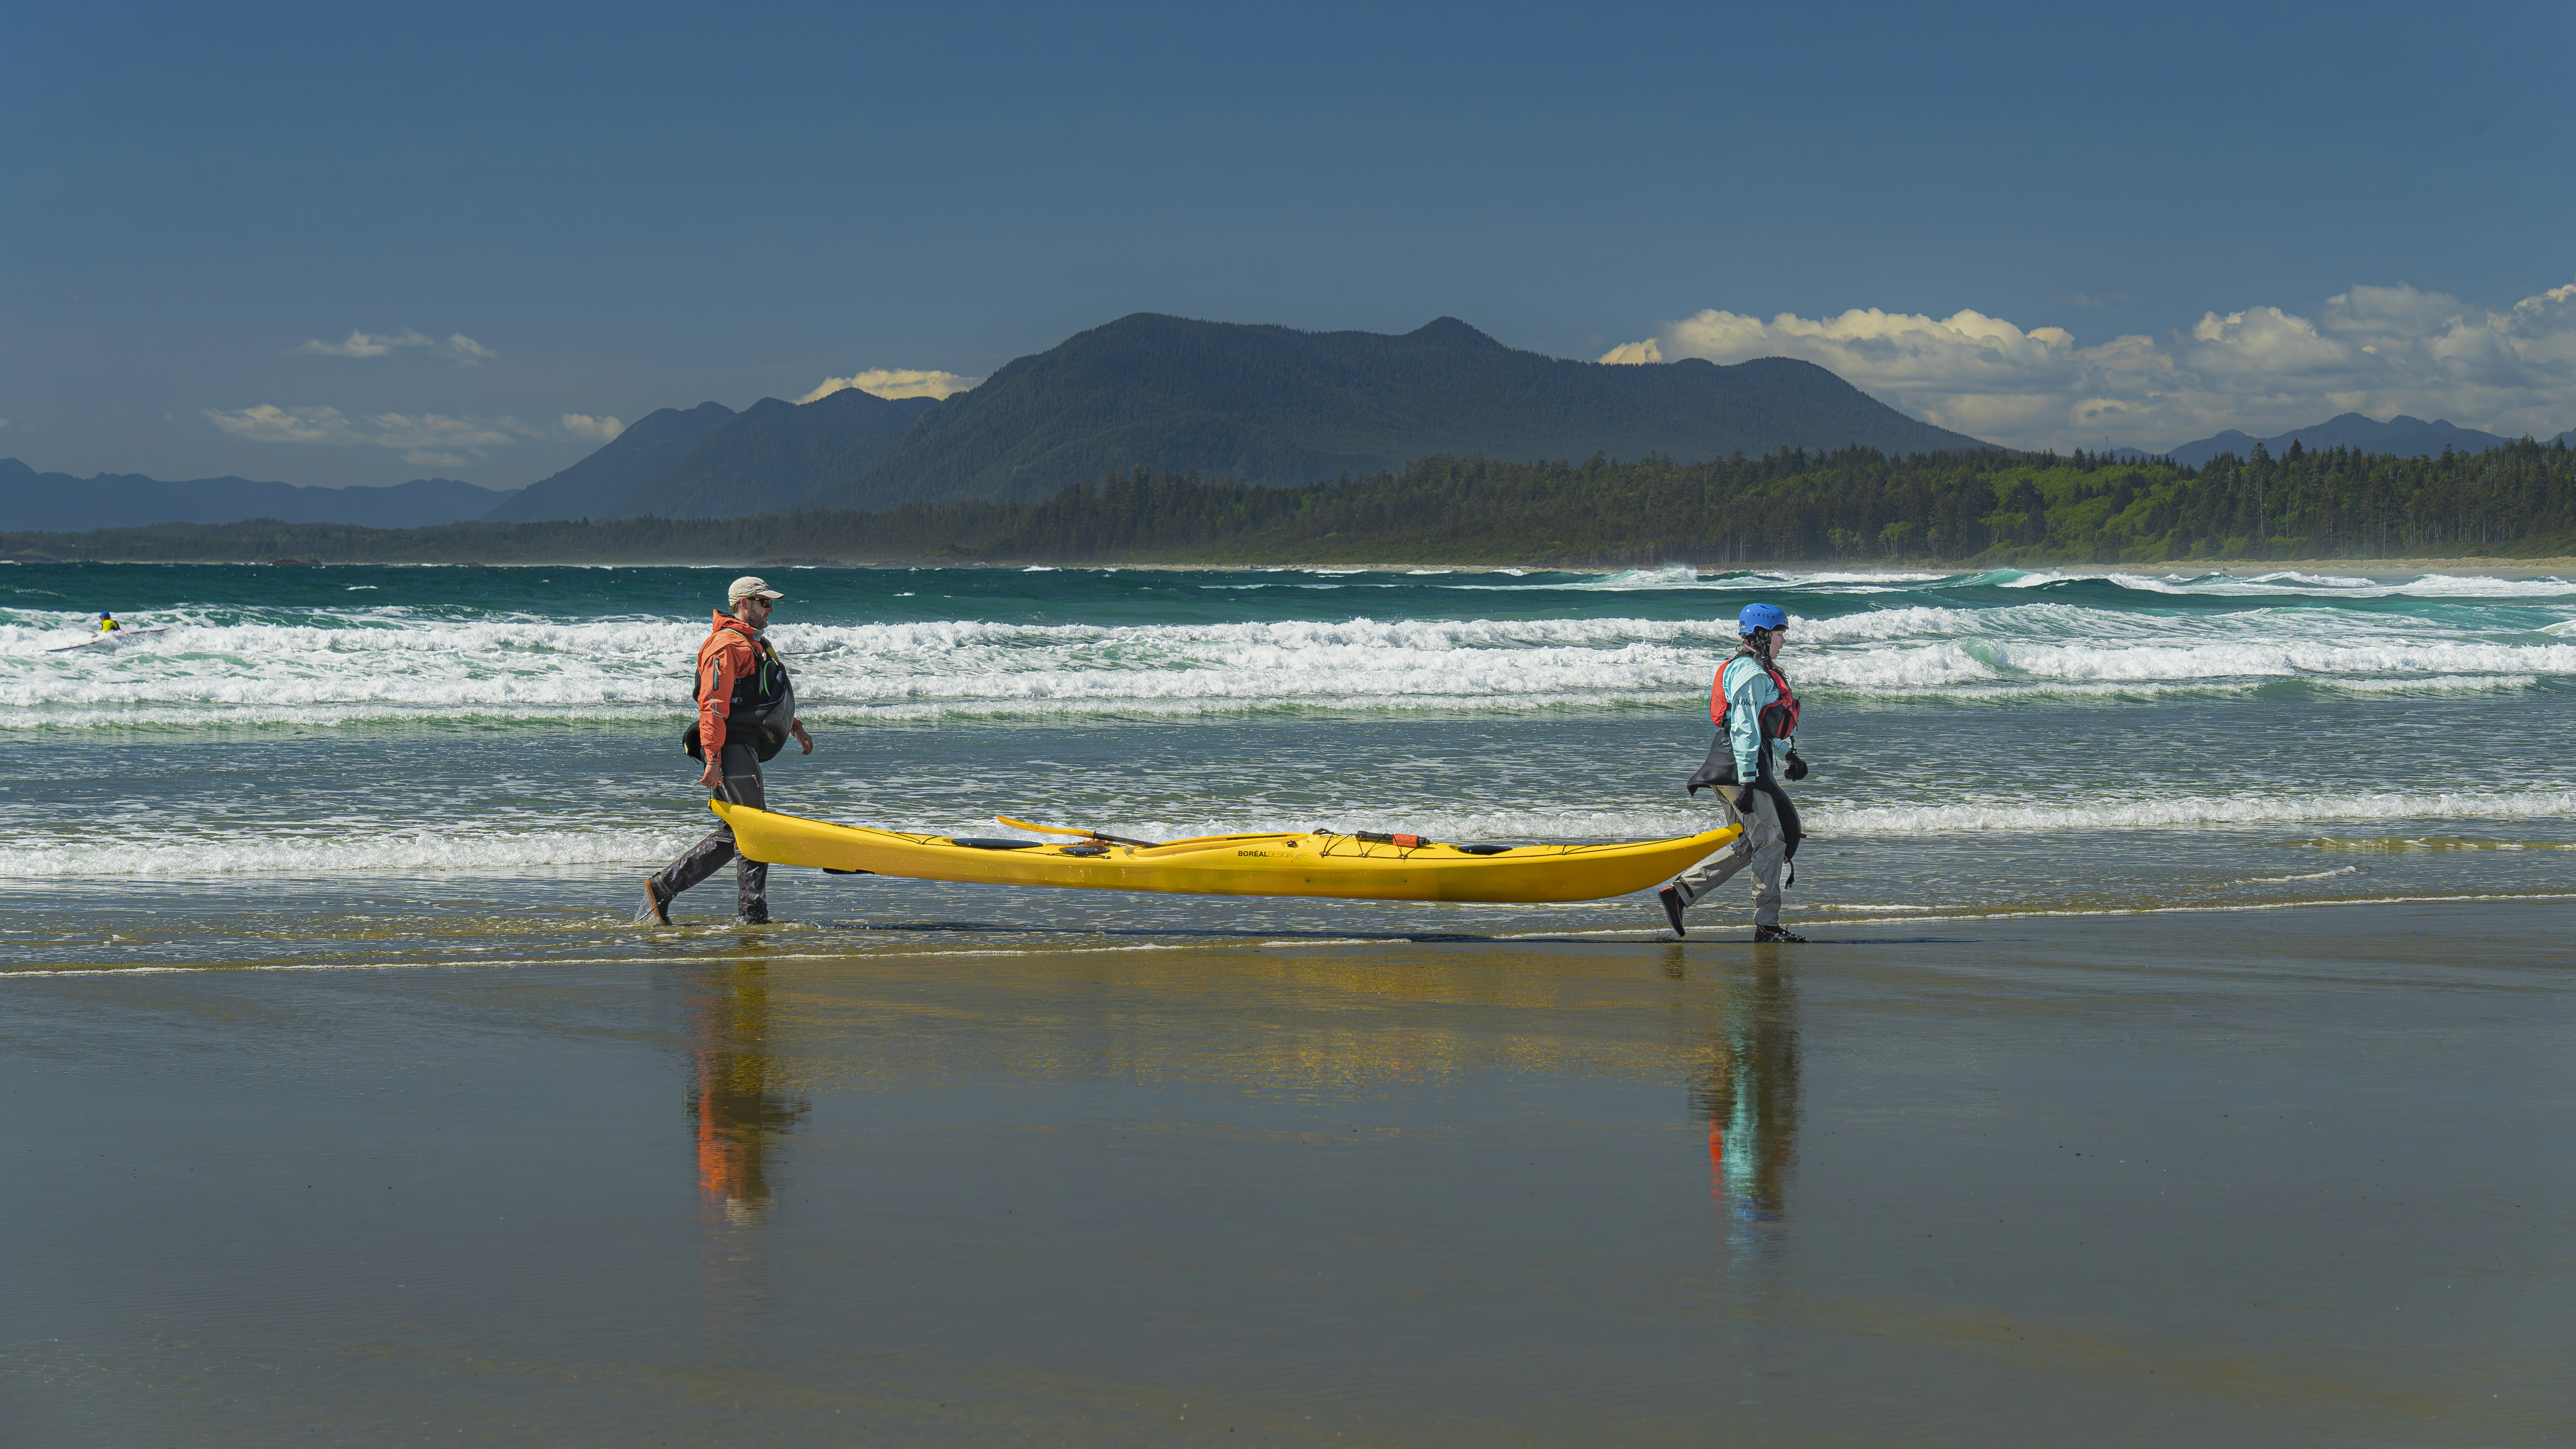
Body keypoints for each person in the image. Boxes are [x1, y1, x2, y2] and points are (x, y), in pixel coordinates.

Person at [644, 576, 814, 925]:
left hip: (741, 745)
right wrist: (714, 758)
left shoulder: (754, 643)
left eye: (771, 603)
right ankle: (753, 917)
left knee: (736, 831)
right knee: (756, 830)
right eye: (764, 603)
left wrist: (794, 727)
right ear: (744, 604)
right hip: (729, 747)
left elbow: (759, 696)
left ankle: (663, 887)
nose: (770, 609)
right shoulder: (725, 645)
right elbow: (713, 706)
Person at [1660, 602, 1808, 943]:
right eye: (1779, 634)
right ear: (1762, 633)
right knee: (1772, 841)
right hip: (1739, 767)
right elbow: (1742, 730)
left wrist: (1789, 755)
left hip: (1742, 764)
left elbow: (1759, 728)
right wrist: (1747, 780)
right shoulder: (1750, 673)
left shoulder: (1755, 670)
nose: (1783, 641)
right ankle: (1767, 925)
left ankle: (1680, 894)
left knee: (1752, 842)